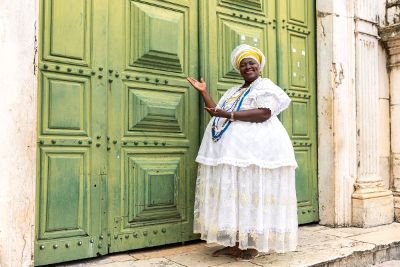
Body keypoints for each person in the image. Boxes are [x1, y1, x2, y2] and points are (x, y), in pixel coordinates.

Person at [187, 44, 298, 261]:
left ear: (259, 66)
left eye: (252, 63)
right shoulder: (232, 92)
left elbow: (264, 113)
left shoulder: (265, 86)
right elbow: (217, 114)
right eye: (243, 64)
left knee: (250, 192)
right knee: (234, 195)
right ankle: (235, 244)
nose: (248, 67)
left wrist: (229, 114)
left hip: (255, 151)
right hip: (231, 152)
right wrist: (204, 92)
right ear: (239, 69)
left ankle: (250, 244)